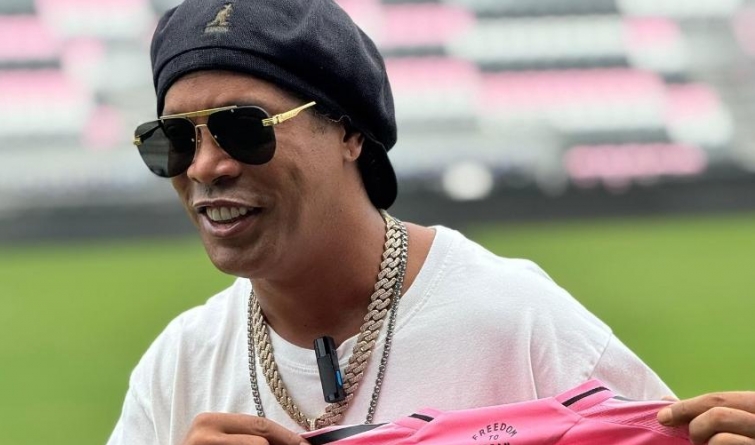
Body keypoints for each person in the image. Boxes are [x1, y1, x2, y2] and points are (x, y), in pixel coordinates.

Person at [109, 1, 755, 444]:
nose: (206, 166)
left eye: (244, 128)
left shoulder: (515, 319)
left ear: (350, 132)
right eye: (174, 139)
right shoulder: (182, 362)